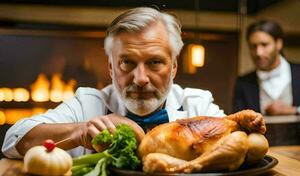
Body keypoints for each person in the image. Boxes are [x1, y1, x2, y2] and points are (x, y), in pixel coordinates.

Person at [3, 7, 232, 159]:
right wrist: (79, 131)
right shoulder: (88, 103)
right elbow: (14, 140)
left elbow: (238, 147)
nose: (140, 79)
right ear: (111, 67)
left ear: (173, 67)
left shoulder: (197, 105)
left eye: (154, 62)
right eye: (127, 63)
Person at [233, 20, 300, 115]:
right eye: (253, 46)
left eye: (264, 45)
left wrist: (294, 110)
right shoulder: (243, 82)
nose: (258, 53)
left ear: (278, 44)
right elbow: (237, 120)